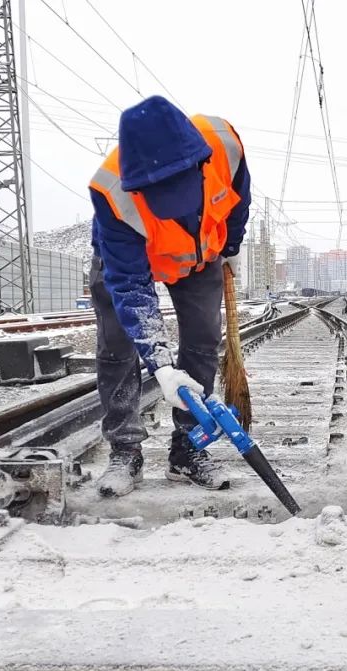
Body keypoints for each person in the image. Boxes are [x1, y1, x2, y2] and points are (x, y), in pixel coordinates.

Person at [87, 96, 250, 497]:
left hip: (200, 257)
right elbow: (130, 285)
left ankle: (187, 451)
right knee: (117, 348)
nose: (174, 210)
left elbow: (238, 201)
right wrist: (160, 366)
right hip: (127, 261)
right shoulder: (112, 195)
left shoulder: (224, 144)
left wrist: (231, 245)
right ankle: (125, 451)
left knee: (202, 342)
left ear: (200, 163)